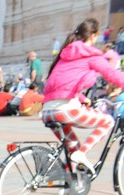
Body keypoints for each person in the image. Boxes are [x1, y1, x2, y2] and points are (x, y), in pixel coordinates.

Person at [41, 17, 124, 174]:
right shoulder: (91, 55)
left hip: (47, 111)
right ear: (93, 36)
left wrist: (81, 98)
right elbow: (112, 74)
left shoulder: (65, 55)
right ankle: (81, 153)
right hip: (64, 110)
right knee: (108, 121)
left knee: (72, 148)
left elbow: (61, 85)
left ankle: (69, 191)